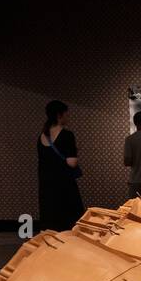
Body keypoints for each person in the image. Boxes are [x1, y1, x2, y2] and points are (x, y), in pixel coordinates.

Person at [37, 99, 85, 232]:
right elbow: (72, 162)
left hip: (46, 187)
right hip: (64, 186)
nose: (67, 117)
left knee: (51, 225)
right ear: (59, 115)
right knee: (69, 224)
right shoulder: (67, 135)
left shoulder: (42, 137)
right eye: (66, 114)